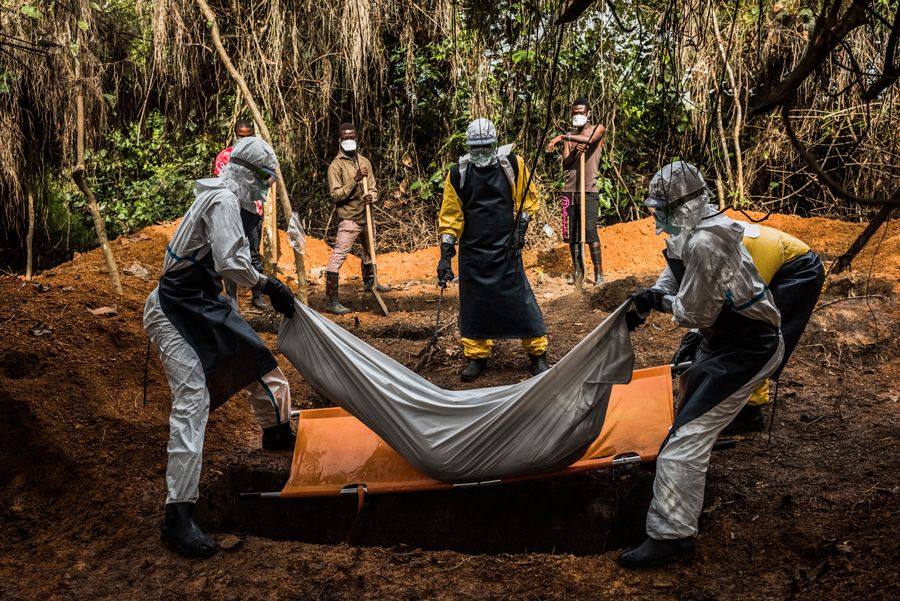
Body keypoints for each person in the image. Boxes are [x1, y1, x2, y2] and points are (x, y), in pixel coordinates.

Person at [618, 161, 784, 568]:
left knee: (682, 445)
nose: (657, 218)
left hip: (749, 346)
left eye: (663, 210)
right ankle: (703, 438)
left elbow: (694, 313)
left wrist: (658, 303)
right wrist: (652, 293)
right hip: (724, 341)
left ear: (685, 207)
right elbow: (674, 276)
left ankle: (672, 536)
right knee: (690, 397)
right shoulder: (687, 235)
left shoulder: (708, 241)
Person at [144, 137, 298, 558]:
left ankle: (278, 430)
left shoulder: (228, 199)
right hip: (174, 309)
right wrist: (268, 284)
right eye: (264, 180)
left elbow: (228, 261)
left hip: (205, 302)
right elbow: (232, 262)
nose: (266, 188)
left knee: (253, 353)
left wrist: (260, 283)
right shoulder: (223, 201)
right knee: (192, 398)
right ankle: (178, 514)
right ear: (246, 174)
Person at [672, 223, 825, 434]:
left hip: (799, 271)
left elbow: (749, 310)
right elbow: (709, 299)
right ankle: (736, 396)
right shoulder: (710, 245)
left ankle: (748, 411)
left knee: (758, 337)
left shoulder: (740, 251)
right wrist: (693, 336)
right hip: (778, 266)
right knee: (736, 334)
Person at [437, 118, 549, 382]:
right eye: (476, 148)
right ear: (467, 147)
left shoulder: (512, 164)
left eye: (486, 147)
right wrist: (445, 255)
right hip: (473, 251)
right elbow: (451, 215)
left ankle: (537, 354)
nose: (481, 153)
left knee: (521, 301)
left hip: (506, 246)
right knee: (475, 306)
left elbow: (527, 200)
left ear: (495, 144)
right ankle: (476, 356)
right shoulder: (458, 173)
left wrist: (520, 230)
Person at [323, 122, 386, 315]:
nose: (349, 140)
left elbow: (374, 188)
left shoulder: (365, 161)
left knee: (370, 250)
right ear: (340, 140)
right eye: (346, 138)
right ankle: (331, 300)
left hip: (366, 215)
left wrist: (372, 197)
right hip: (349, 218)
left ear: (356, 138)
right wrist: (355, 180)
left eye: (352, 137)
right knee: (339, 255)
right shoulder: (336, 166)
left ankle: (370, 282)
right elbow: (335, 196)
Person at [546, 97, 606, 285]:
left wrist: (564, 137)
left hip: (588, 190)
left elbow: (589, 139)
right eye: (575, 112)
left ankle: (598, 274)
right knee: (571, 234)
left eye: (581, 112)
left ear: (588, 113)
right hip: (570, 191)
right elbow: (566, 165)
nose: (578, 115)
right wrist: (573, 150)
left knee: (590, 231)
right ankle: (578, 271)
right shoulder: (570, 136)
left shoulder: (598, 128)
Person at [215, 118, 268, 311]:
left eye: (248, 137)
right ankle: (231, 298)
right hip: (231, 214)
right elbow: (221, 186)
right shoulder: (225, 157)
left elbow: (263, 186)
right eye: (241, 137)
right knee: (231, 253)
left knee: (253, 254)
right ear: (236, 136)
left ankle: (257, 295)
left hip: (252, 213)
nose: (244, 140)